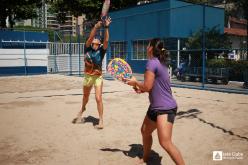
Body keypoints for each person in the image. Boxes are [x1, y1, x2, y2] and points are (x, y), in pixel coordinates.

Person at [125, 38, 185, 164]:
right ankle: (146, 158)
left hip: (165, 109)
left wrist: (135, 82)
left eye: (147, 45)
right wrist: (140, 88)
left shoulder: (152, 63)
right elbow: (151, 87)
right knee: (144, 131)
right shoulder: (159, 62)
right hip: (155, 107)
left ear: (151, 48)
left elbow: (147, 86)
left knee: (165, 142)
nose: (146, 47)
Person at [72, 17, 112, 129]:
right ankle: (83, 108)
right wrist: (96, 26)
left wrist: (106, 27)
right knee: (85, 97)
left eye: (96, 42)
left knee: (98, 98)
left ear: (99, 44)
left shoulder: (101, 51)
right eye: (93, 41)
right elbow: (90, 37)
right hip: (87, 76)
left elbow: (106, 41)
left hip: (97, 77)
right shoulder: (87, 49)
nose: (94, 42)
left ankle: (101, 120)